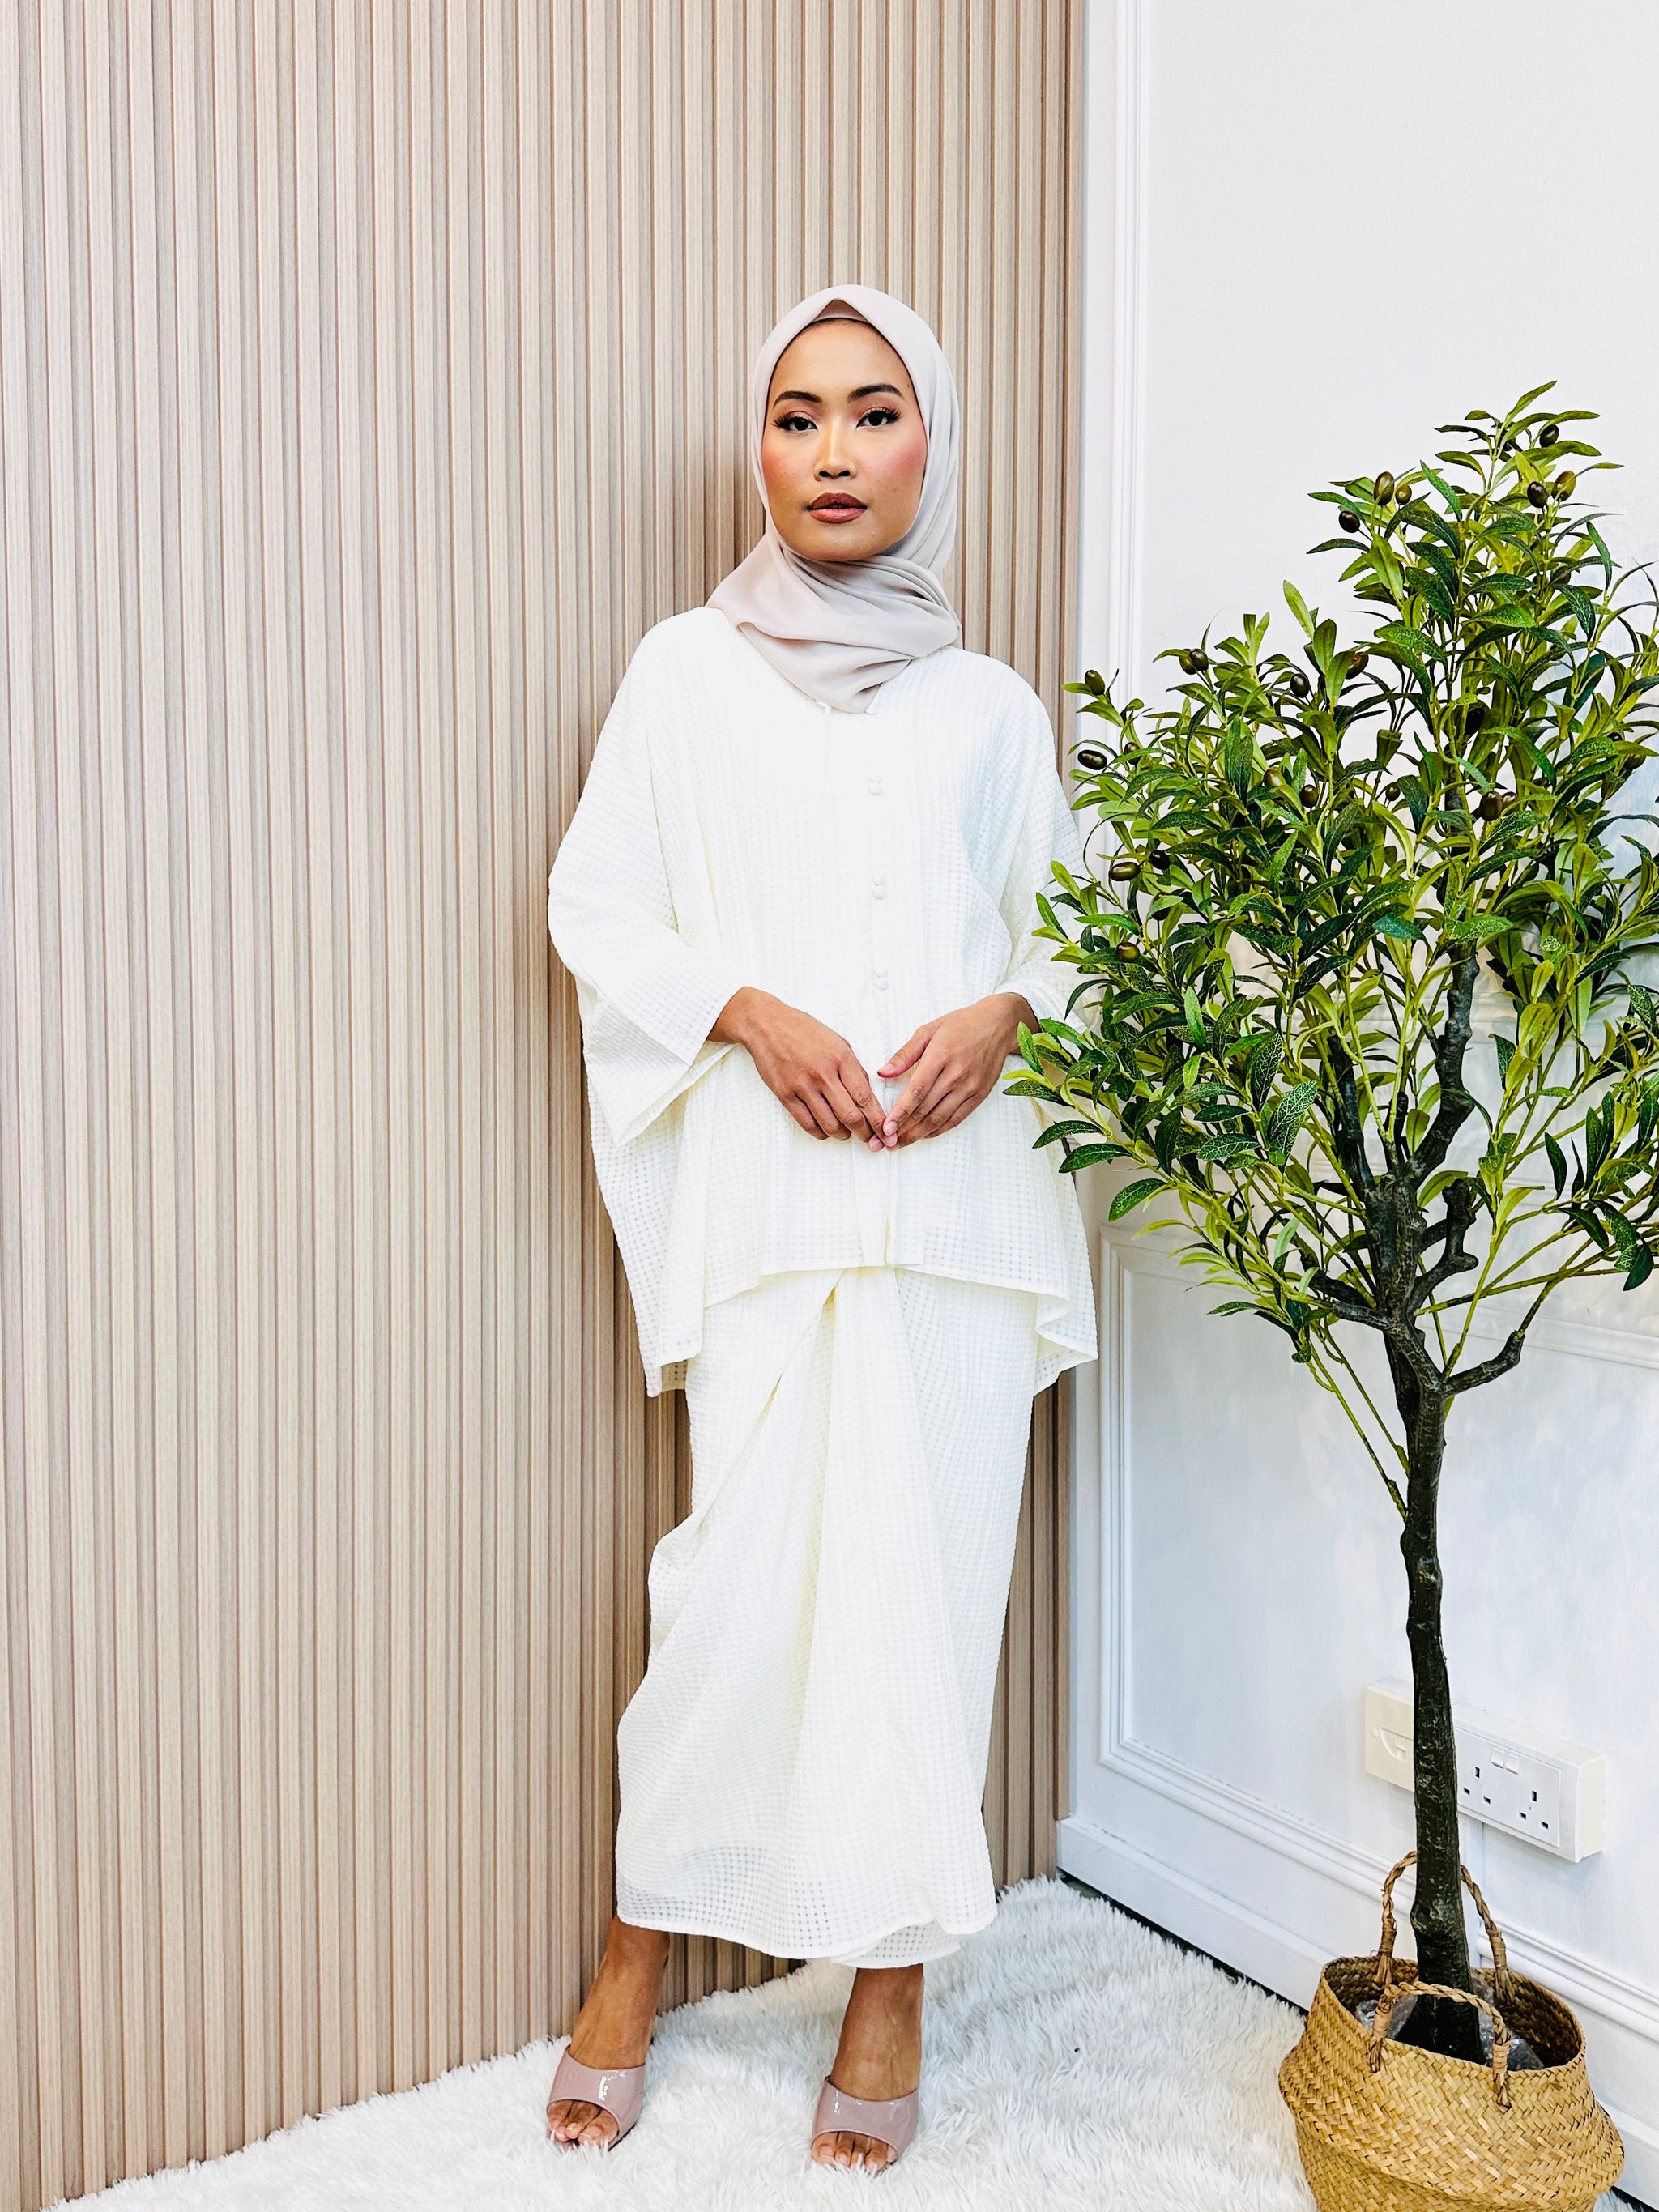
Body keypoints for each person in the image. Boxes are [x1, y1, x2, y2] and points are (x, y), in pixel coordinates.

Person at [543, 282, 1095, 2174]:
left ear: (931, 441)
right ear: (759, 448)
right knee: (730, 1605)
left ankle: (891, 1988)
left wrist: (1006, 1012)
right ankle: (637, 1950)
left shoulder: (988, 708)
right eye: (798, 415)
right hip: (772, 1208)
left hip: (954, 1217)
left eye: (874, 412)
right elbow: (599, 903)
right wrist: (744, 1009)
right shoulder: (682, 675)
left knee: (926, 1615)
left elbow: (1066, 936)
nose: (834, 451)